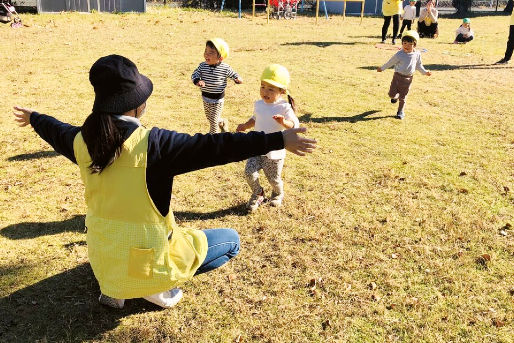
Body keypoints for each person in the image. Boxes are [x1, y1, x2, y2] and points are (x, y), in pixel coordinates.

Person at [12, 55, 316, 309]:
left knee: (130, 243)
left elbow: (57, 130)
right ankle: (155, 289)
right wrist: (277, 139)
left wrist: (35, 118)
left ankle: (116, 288)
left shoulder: (81, 140)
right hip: (149, 263)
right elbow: (216, 146)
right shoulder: (154, 145)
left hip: (102, 259)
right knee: (231, 241)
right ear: (135, 105)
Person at [236, 64, 300, 212]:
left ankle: (278, 193)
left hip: (274, 153)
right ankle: (258, 193)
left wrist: (283, 122)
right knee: (249, 172)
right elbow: (255, 118)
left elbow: (295, 123)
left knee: (273, 179)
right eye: (262, 86)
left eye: (271, 89)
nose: (265, 91)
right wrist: (246, 126)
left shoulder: (284, 107)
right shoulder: (259, 104)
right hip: (256, 147)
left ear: (282, 91)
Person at [191, 38, 243, 134]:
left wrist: (237, 78)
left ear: (220, 57)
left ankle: (213, 140)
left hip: (217, 99)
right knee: (210, 118)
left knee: (213, 122)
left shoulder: (225, 68)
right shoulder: (202, 66)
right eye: (206, 51)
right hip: (205, 97)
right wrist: (198, 80)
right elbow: (195, 74)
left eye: (211, 52)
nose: (207, 54)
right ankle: (222, 122)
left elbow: (233, 74)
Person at [377, 30, 432, 120]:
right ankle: (395, 97)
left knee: (403, 97)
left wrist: (425, 72)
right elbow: (390, 62)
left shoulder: (417, 54)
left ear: (414, 45)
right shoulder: (399, 54)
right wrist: (382, 68)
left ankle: (400, 111)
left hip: (408, 79)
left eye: (410, 44)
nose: (406, 46)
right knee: (391, 95)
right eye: (404, 43)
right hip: (397, 77)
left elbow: (418, 65)